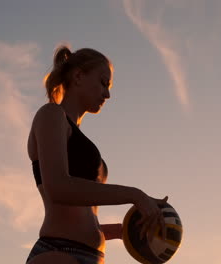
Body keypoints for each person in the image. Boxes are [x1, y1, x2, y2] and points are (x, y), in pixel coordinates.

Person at [25, 44, 169, 264]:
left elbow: (81, 217)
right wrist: (136, 195)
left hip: (91, 256)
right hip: (59, 252)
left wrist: (125, 231)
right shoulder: (51, 115)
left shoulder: (75, 133)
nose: (108, 94)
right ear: (78, 76)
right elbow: (58, 188)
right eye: (103, 83)